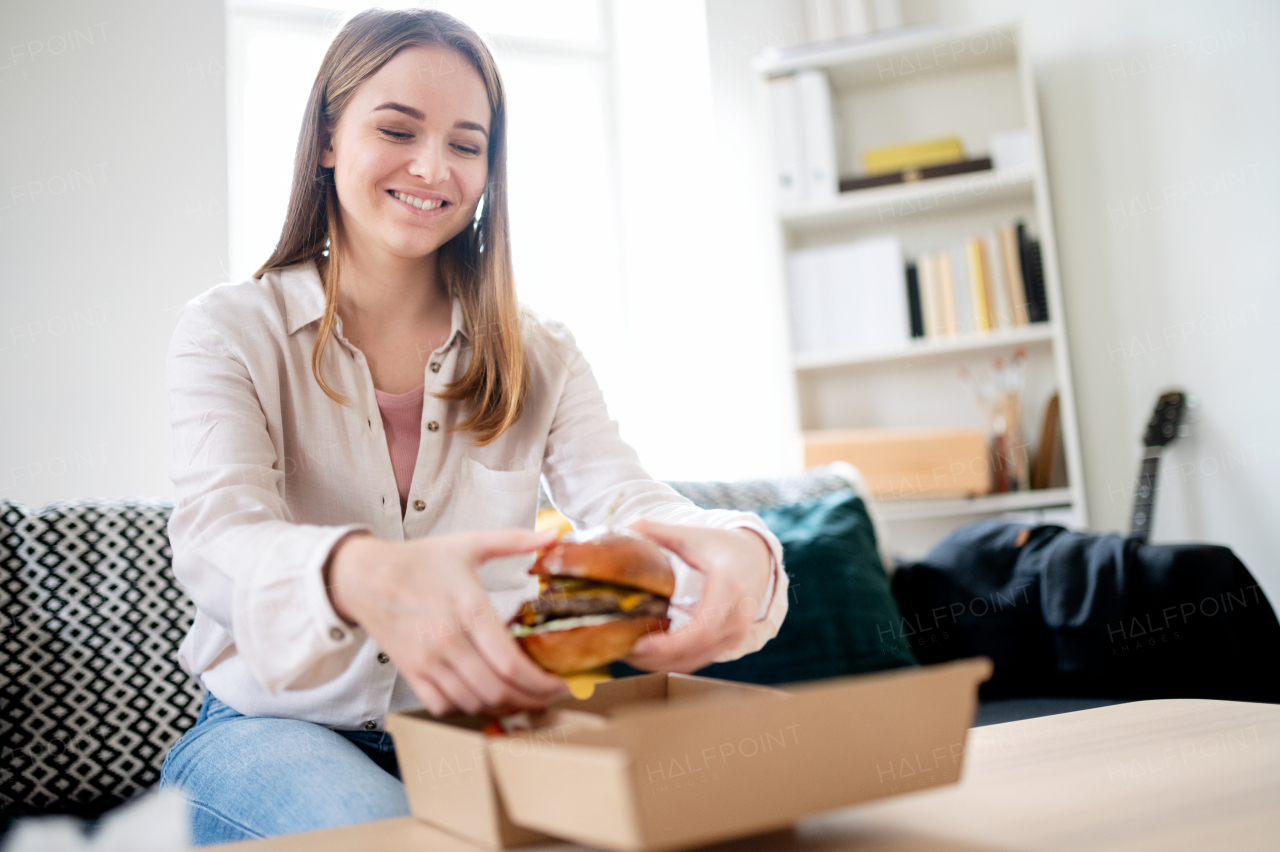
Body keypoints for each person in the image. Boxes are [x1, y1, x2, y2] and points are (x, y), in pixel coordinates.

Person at [158, 8, 788, 846]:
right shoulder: (231, 330)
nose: (433, 166)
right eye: (397, 129)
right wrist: (359, 574)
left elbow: (626, 497)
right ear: (327, 139)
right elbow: (215, 539)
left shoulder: (539, 352)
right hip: (270, 731)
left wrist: (740, 548)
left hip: (479, 731)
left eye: (466, 142)